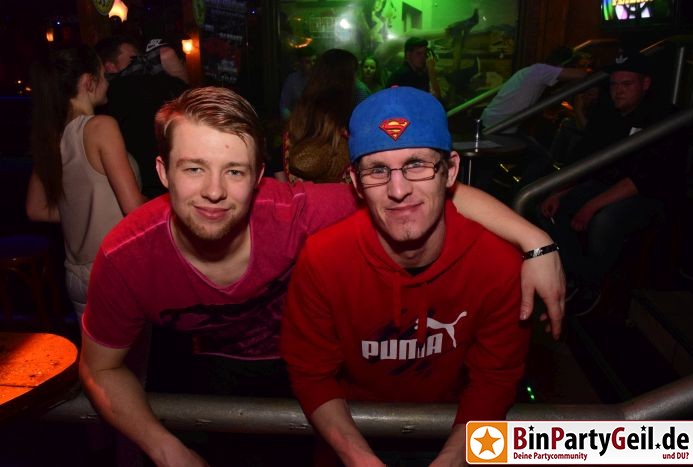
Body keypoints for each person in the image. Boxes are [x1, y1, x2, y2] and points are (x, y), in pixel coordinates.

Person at [79, 86, 563, 466]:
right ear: (163, 171)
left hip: (291, 372)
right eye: (193, 169)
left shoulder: (299, 214)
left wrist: (535, 241)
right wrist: (166, 450)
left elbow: (417, 198)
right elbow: (101, 368)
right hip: (199, 372)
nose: (213, 191)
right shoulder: (126, 256)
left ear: (260, 177)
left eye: (234, 171)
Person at [281, 86, 534, 466]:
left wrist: (453, 460)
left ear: (450, 171)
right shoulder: (323, 259)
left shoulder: (498, 265)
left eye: (416, 164)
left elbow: (495, 379)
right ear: (355, 182)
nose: (398, 190)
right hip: (349, 436)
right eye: (377, 170)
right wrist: (358, 458)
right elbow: (311, 374)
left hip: (456, 432)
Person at [539, 50, 684, 315]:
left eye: (626, 84)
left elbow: (644, 178)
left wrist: (592, 206)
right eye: (614, 84)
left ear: (645, 84)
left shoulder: (663, 115)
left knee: (605, 221)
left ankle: (593, 286)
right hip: (606, 186)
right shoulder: (607, 114)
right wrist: (558, 193)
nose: (618, 91)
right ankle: (579, 275)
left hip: (648, 194)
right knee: (548, 208)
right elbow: (585, 157)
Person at [25, 45, 145, 319]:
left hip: (77, 275)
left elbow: (35, 209)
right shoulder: (101, 127)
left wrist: (87, 210)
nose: (107, 83)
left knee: (96, 350)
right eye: (103, 76)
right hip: (115, 269)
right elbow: (134, 209)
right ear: (88, 81)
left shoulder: (52, 136)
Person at [95, 35, 189, 199]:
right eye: (133, 59)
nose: (141, 61)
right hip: (147, 186)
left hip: (164, 179)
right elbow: (167, 55)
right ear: (110, 67)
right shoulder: (118, 91)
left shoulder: (153, 82)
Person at [285, 48, 369, 183]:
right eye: (353, 74)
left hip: (303, 192)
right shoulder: (338, 121)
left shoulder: (304, 109)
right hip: (333, 193)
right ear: (345, 80)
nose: (356, 80)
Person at [480, 46, 589, 134]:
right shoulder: (541, 70)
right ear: (565, 64)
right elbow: (582, 75)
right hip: (498, 125)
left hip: (495, 121)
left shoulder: (534, 71)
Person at [279, 46, 317, 121]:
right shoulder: (292, 79)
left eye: (314, 61)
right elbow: (284, 105)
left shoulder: (320, 78)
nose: (312, 64)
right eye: (308, 62)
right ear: (300, 63)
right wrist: (290, 122)